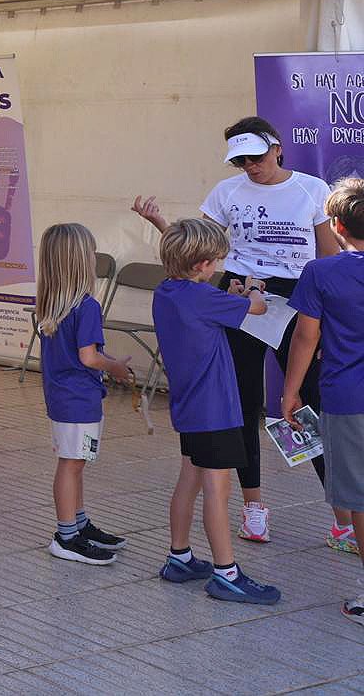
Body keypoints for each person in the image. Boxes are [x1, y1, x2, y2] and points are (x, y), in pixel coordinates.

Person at [133, 115, 345, 548]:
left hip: (298, 303)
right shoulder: (225, 193)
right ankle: (253, 509)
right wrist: (159, 223)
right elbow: (193, 245)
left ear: (278, 148)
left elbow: (327, 260)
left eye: (256, 156)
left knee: (308, 406)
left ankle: (342, 518)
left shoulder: (311, 189)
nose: (249, 165)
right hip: (242, 300)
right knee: (245, 405)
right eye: (240, 159)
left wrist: (331, 323)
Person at [151, 217, 280, 605]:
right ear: (201, 265)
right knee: (217, 491)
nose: (220, 267)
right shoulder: (206, 297)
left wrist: (233, 294)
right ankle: (227, 574)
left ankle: (179, 557)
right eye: (216, 262)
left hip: (189, 407)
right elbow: (255, 309)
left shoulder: (166, 292)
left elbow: (218, 308)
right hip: (216, 410)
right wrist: (253, 289)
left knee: (188, 479)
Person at [282, 178, 364, 622]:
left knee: (361, 497)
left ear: (335, 225)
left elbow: (306, 336)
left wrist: (290, 391)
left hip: (348, 397)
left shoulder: (321, 272)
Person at [31, 223, 133, 566]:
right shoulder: (86, 306)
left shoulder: (51, 304)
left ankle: (78, 523)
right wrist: (116, 366)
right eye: (91, 252)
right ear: (79, 261)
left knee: (75, 463)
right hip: (79, 399)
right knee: (72, 465)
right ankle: (66, 535)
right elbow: (89, 357)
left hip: (63, 397)